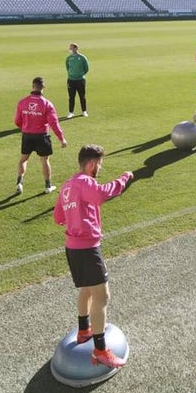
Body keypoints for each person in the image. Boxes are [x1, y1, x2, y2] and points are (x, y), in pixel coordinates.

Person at [54, 144, 134, 370]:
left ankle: (83, 330)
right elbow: (101, 195)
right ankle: (100, 350)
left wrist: (76, 216)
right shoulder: (85, 181)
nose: (99, 169)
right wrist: (124, 179)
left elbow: (58, 217)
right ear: (91, 164)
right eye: (99, 165)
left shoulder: (67, 185)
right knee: (102, 295)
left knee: (87, 289)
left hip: (72, 248)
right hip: (87, 249)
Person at [14, 76, 67, 194]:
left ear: (33, 86)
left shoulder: (22, 102)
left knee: (23, 159)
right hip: (42, 136)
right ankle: (48, 186)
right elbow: (54, 123)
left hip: (27, 135)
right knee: (44, 160)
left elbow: (17, 121)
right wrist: (61, 138)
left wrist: (25, 128)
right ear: (43, 88)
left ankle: (19, 183)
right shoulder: (47, 104)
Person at [65, 43, 90, 119]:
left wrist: (80, 74)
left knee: (82, 96)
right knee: (71, 96)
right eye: (70, 48)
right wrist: (71, 74)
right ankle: (71, 112)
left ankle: (84, 111)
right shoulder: (68, 58)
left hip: (80, 80)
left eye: (72, 48)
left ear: (76, 48)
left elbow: (86, 68)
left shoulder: (82, 57)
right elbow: (67, 67)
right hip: (71, 80)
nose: (70, 49)